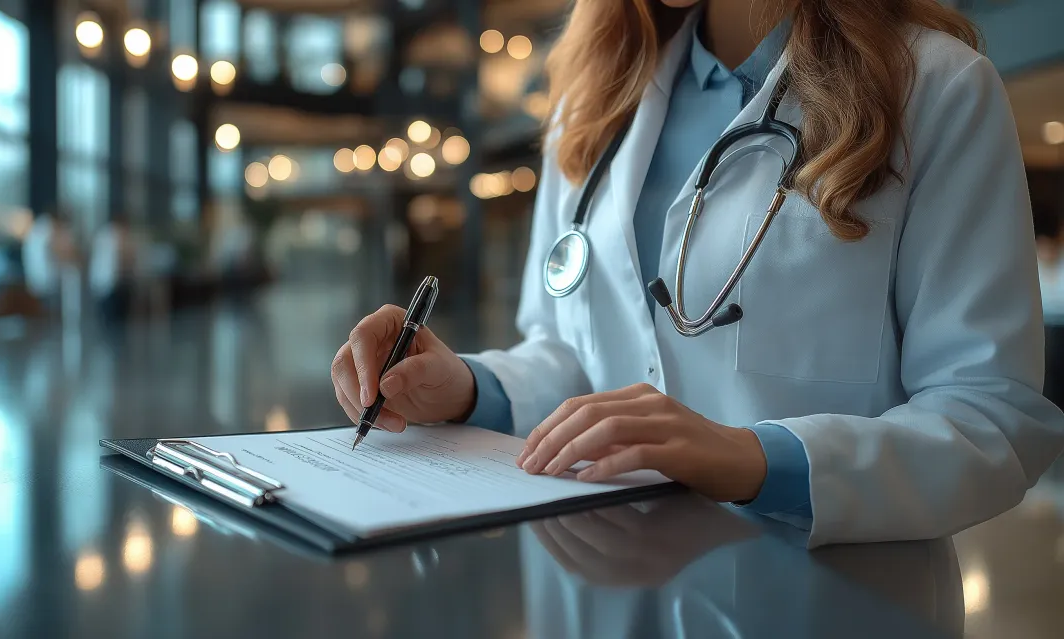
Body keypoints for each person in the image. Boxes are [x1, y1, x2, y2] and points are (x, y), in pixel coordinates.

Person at [331, 0, 1064, 547]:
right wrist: (467, 388)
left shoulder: (935, 89)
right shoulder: (593, 104)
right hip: (604, 581)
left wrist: (753, 457)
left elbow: (990, 420)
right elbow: (571, 352)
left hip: (837, 596)